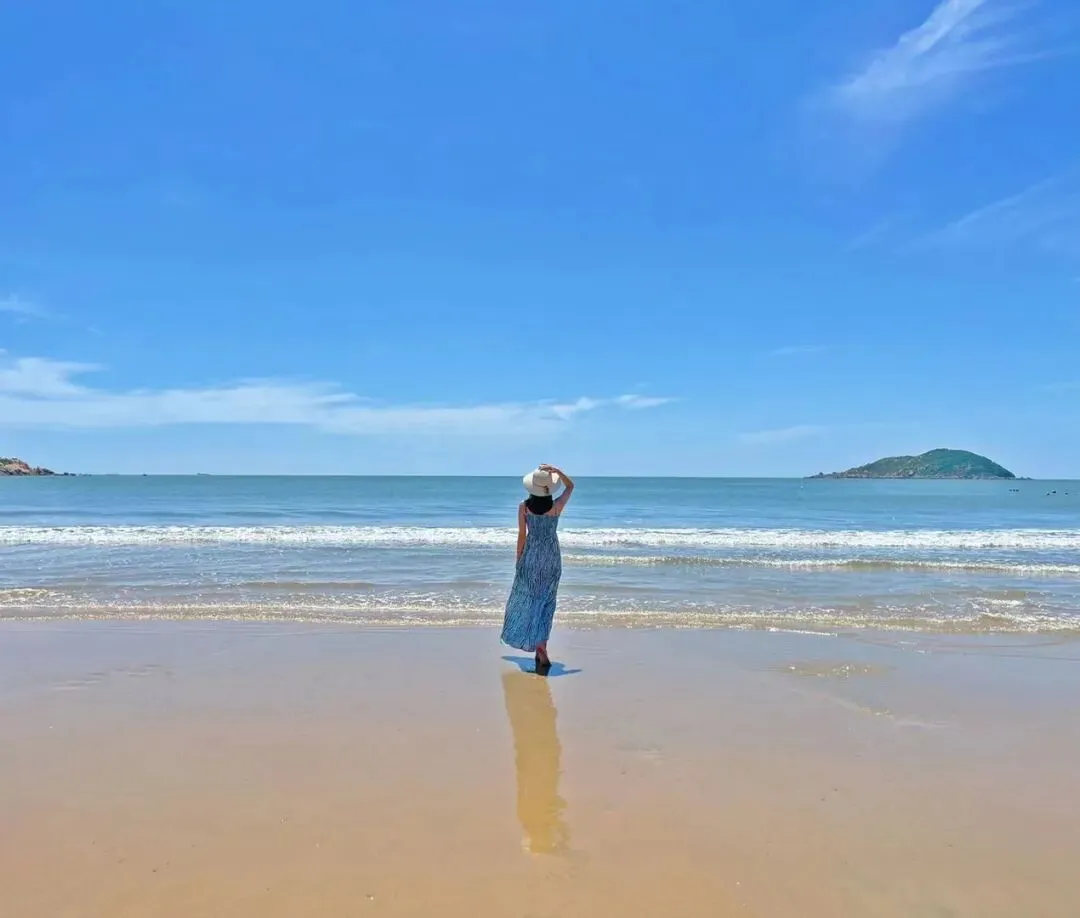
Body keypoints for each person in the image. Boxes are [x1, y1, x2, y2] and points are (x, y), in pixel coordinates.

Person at [500, 464, 575, 672]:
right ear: (549, 489)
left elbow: (522, 535)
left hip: (531, 558)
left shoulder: (524, 507)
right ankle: (542, 646)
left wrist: (519, 559)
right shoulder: (556, 506)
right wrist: (557, 471)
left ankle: (534, 644)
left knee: (528, 600)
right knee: (546, 603)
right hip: (551, 559)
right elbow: (571, 486)